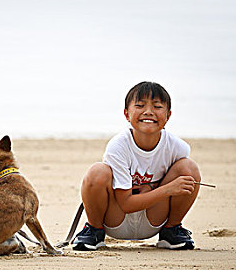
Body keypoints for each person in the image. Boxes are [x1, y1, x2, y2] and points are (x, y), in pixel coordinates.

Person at [72, 81, 201, 251]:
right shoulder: (118, 146)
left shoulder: (177, 147)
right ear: (127, 114)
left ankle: (172, 230)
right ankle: (94, 231)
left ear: (168, 115)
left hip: (154, 218)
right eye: (140, 105)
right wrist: (167, 189)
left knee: (189, 169)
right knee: (97, 171)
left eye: (157, 106)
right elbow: (126, 204)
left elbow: (180, 181)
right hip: (116, 219)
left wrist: (153, 188)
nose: (148, 112)